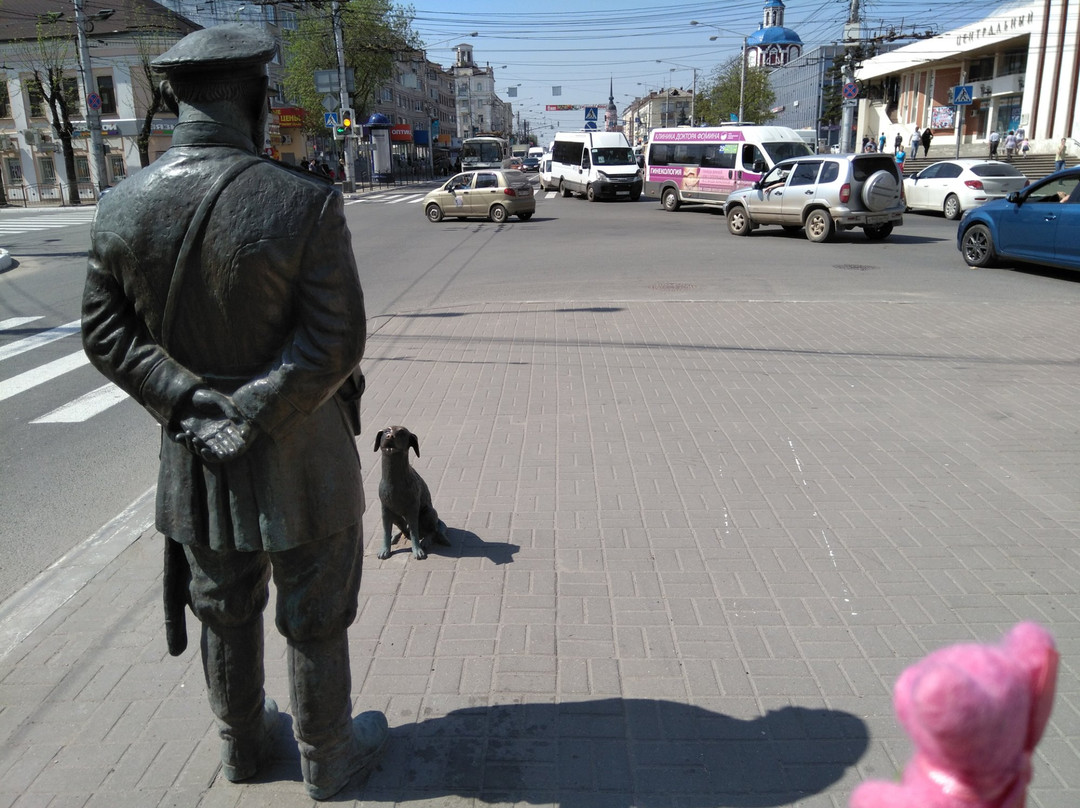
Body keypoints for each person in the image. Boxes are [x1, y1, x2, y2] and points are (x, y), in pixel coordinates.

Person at [81, 24, 387, 801]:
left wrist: (189, 401)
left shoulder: (121, 205)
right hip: (301, 449)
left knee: (221, 606)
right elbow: (335, 341)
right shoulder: (304, 202)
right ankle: (327, 758)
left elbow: (104, 332)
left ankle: (242, 749)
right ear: (252, 99)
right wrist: (252, 412)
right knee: (315, 610)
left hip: (195, 454)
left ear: (179, 100)